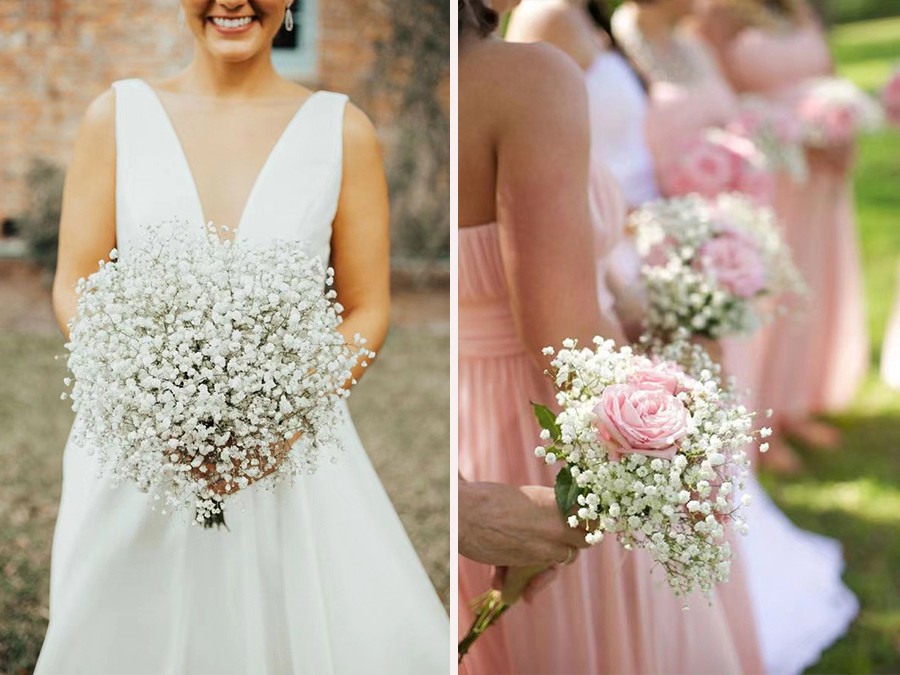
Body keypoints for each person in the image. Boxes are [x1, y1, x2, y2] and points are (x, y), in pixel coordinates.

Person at [38, 1, 447, 672]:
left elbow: (368, 308)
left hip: (292, 464)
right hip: (136, 454)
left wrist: (283, 419)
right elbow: (72, 285)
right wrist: (145, 396)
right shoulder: (115, 118)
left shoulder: (342, 130)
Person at [460, 1, 761, 672]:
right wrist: (677, 428)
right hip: (548, 431)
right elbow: (562, 340)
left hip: (461, 423)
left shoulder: (399, 82)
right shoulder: (528, 78)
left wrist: (641, 302)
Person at [695, 0, 868, 472]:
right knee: (768, 293)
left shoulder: (800, 9)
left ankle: (792, 404)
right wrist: (784, 132)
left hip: (819, 171)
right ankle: (758, 424)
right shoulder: (719, 11)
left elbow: (829, 76)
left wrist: (840, 128)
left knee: (811, 279)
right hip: (768, 173)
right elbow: (710, 95)